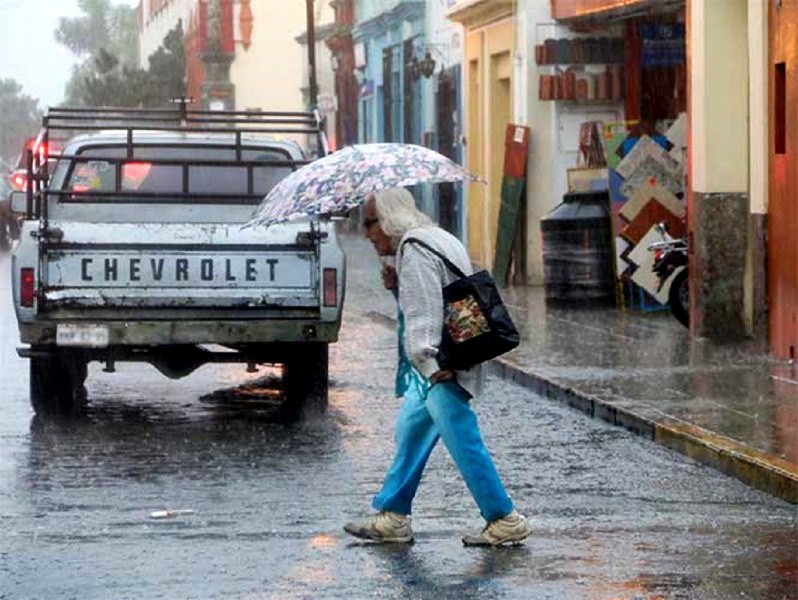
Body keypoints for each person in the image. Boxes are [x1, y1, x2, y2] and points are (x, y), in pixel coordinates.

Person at [344, 188, 532, 547]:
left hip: (442, 366)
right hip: (456, 356)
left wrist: (428, 363)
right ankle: (393, 515)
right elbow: (443, 296)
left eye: (369, 223)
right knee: (411, 431)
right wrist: (398, 288)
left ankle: (503, 517)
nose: (366, 233)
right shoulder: (436, 237)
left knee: (464, 441)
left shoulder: (413, 250)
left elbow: (424, 314)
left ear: (387, 219)